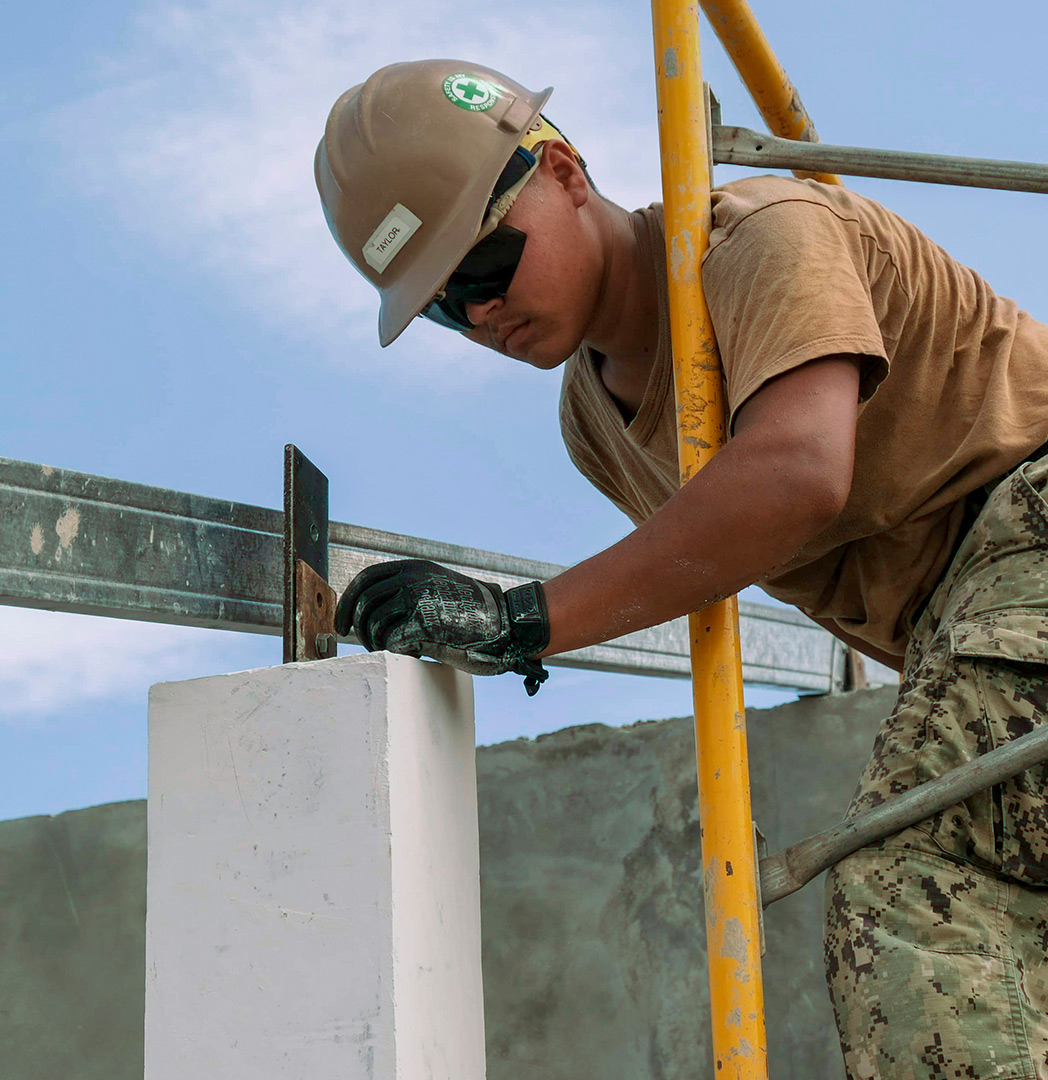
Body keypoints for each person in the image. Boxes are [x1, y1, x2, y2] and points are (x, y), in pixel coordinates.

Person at [315, 59, 1048, 1079]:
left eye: (483, 270)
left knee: (913, 888)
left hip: (1032, 531)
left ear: (565, 172)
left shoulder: (758, 235)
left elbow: (794, 475)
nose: (482, 318)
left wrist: (527, 617)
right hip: (963, 625)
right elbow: (705, 550)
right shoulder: (590, 421)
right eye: (445, 306)